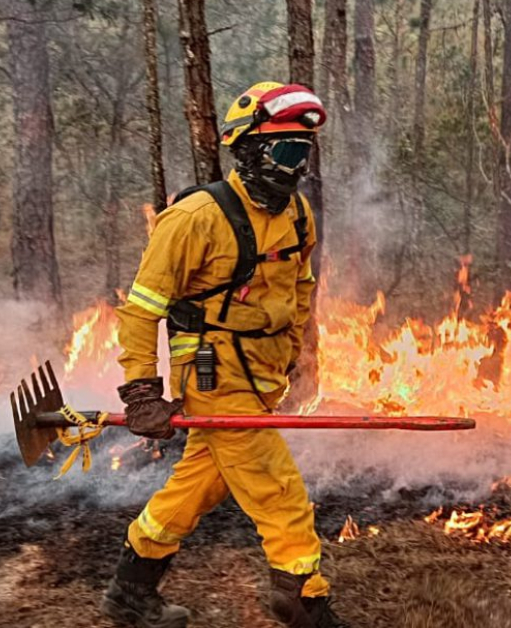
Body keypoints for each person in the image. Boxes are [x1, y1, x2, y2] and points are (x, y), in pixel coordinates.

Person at [99, 81, 348, 628]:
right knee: (279, 490)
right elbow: (142, 308)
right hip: (214, 376)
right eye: (284, 150)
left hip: (262, 377)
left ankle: (130, 590)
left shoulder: (297, 216)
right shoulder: (195, 218)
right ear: (250, 148)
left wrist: (295, 357)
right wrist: (141, 391)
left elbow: (299, 289)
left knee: (198, 484)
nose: (294, 165)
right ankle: (305, 599)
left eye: (301, 152)